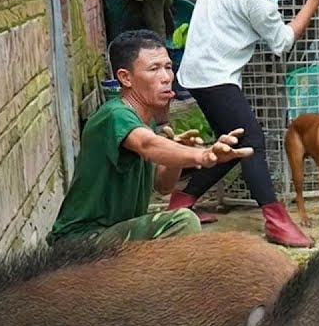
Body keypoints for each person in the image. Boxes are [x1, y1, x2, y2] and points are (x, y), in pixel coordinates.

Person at [170, 0, 319, 248]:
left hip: (199, 68)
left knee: (234, 145)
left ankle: (181, 202)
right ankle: (277, 222)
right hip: (213, 74)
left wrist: (210, 8)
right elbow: (282, 42)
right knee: (251, 142)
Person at [48, 29, 251, 245]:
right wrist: (203, 155)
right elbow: (146, 144)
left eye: (168, 67)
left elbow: (162, 186)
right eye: (154, 69)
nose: (166, 78)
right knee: (183, 221)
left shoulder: (146, 120)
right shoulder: (114, 115)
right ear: (125, 78)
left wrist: (175, 158)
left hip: (112, 234)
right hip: (81, 241)